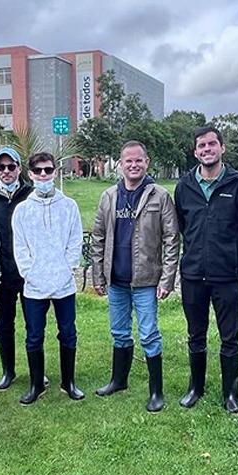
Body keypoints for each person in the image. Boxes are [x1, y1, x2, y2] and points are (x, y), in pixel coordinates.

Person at [90, 140, 180, 412]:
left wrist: (167, 279)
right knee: (119, 332)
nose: (133, 165)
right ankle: (119, 381)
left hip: (146, 281)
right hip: (116, 280)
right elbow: (98, 237)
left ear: (147, 162)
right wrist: (98, 275)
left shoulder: (159, 196)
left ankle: (156, 392)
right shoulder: (108, 196)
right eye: (128, 160)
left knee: (149, 334)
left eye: (138, 160)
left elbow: (172, 239)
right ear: (120, 164)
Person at [174, 126, 238, 413]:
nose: (207, 149)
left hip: (226, 274)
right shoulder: (184, 186)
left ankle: (230, 393)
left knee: (229, 337)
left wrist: (226, 250)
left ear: (222, 148)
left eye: (211, 144)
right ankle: (196, 387)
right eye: (201, 146)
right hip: (193, 274)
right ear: (195, 152)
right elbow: (183, 226)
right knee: (196, 334)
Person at [12, 152, 84, 405]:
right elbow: (20, 247)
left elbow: (75, 241)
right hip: (34, 286)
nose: (43, 175)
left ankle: (68, 382)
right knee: (34, 335)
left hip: (64, 284)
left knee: (68, 332)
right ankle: (36, 385)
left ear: (55, 172)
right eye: (38, 171)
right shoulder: (22, 210)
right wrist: (30, 274)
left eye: (48, 170)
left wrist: (67, 269)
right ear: (30, 174)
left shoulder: (69, 206)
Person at [0, 146, 33, 390]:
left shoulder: (32, 195)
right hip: (2, 272)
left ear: (19, 169)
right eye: (1, 166)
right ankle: (8, 371)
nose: (6, 171)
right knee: (4, 323)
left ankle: (36, 370)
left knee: (34, 324)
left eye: (11, 166)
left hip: (29, 272)